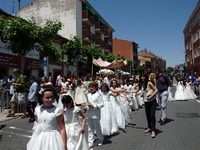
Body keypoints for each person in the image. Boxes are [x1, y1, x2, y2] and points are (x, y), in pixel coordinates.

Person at [27, 85, 67, 150]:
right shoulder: (37, 109)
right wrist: (34, 135)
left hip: (53, 138)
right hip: (39, 138)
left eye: (52, 97)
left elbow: (62, 128)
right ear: (41, 98)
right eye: (47, 98)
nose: (50, 99)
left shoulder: (57, 111)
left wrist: (64, 145)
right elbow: (36, 124)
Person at [86, 82, 104, 149]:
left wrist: (95, 106)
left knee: (97, 128)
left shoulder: (98, 95)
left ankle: (100, 139)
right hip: (89, 114)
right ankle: (90, 142)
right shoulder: (88, 95)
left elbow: (102, 104)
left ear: (96, 87)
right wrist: (86, 108)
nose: (91, 88)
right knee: (90, 129)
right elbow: (88, 104)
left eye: (92, 87)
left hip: (96, 114)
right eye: (90, 87)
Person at [139, 74, 158, 138]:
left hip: (152, 101)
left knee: (152, 115)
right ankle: (149, 127)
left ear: (146, 77)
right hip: (146, 102)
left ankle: (153, 130)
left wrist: (151, 97)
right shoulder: (142, 84)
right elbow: (138, 91)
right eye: (141, 76)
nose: (142, 77)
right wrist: (128, 91)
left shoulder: (149, 83)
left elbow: (156, 90)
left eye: (143, 76)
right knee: (147, 115)